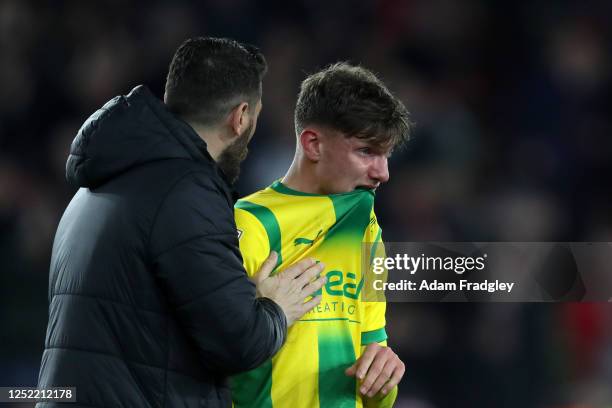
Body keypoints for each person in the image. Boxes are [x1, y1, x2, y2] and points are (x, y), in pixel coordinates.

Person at [36, 37, 326, 408]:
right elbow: (240, 343)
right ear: (240, 118)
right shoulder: (185, 192)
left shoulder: (100, 181)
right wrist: (275, 309)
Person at [231, 63, 411, 407]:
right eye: (367, 151)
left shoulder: (365, 229)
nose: (383, 173)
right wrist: (262, 315)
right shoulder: (250, 224)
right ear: (313, 145)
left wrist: (384, 378)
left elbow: (376, 391)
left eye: (386, 155)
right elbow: (212, 360)